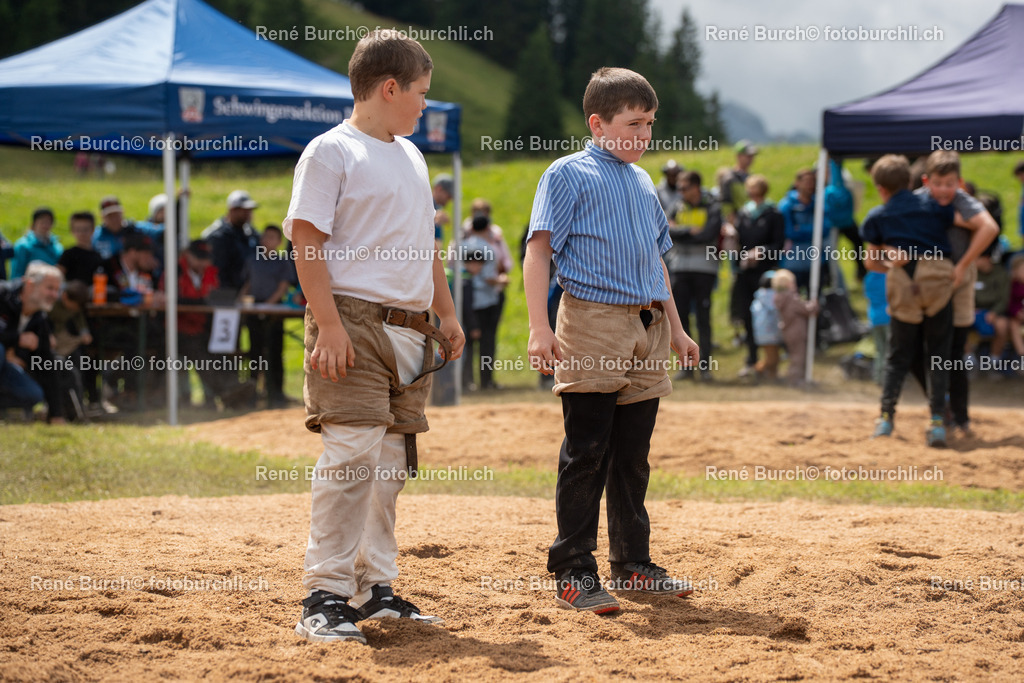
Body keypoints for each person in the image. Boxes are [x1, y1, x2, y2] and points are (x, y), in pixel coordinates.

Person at [284, 30, 465, 645]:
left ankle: (373, 589)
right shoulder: (330, 151)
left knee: (388, 465)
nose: (424, 104)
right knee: (351, 455)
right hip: (352, 320)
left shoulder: (411, 155)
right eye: (421, 92)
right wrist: (330, 324)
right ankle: (324, 595)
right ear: (390, 88)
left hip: (410, 326)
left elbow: (424, 242)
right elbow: (306, 240)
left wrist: (445, 312)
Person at [525, 66, 700, 615]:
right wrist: (539, 326)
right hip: (593, 321)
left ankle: (633, 563)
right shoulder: (567, 173)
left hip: (648, 325)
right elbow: (538, 250)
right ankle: (574, 570)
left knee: (633, 454)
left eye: (650, 124)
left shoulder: (644, 182)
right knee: (588, 449)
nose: (644, 135)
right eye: (633, 123)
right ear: (598, 124)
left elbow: (655, 261)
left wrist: (676, 327)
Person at [862, 155, 992, 447]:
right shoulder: (934, 207)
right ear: (912, 181)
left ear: (880, 188)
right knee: (939, 355)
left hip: (904, 281)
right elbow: (976, 225)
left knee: (898, 355)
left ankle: (885, 419)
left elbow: (870, 262)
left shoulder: (878, 215)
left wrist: (894, 264)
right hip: (938, 280)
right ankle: (937, 422)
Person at [911, 151, 999, 435]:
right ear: (927, 181)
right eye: (938, 183)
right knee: (918, 349)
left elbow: (990, 227)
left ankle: (960, 416)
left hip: (959, 280)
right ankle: (939, 406)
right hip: (926, 283)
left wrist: (963, 264)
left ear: (959, 183)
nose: (943, 190)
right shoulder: (916, 201)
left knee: (954, 350)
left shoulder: (964, 201)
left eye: (950, 184)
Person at [666, 170, 721, 381]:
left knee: (703, 319)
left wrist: (680, 232)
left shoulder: (712, 206)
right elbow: (666, 230)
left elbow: (708, 235)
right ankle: (686, 367)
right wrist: (690, 230)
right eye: (678, 188)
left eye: (684, 187)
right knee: (681, 320)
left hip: (705, 269)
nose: (680, 191)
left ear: (696, 187)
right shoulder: (676, 206)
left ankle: (705, 367)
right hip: (679, 267)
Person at [732, 174, 785, 376]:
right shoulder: (744, 213)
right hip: (745, 272)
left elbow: (778, 244)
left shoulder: (773, 213)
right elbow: (738, 242)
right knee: (747, 315)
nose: (753, 195)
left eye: (756, 191)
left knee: (768, 316)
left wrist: (761, 251)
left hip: (765, 274)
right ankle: (751, 359)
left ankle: (771, 362)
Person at [0, 263, 64, 422]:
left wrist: (56, 415)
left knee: (33, 394)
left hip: (5, 369)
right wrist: (17, 339)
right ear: (29, 284)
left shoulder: (40, 319)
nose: (54, 295)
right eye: (50, 288)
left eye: (57, 290)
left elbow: (47, 364)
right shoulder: (2, 294)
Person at [241, 225, 293, 407]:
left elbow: (283, 287)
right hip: (254, 310)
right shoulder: (253, 260)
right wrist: (241, 300)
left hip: (274, 312)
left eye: (272, 237)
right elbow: (248, 283)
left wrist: (268, 305)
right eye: (265, 237)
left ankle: (276, 393)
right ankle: (252, 394)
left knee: (275, 351)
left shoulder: (282, 263)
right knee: (255, 352)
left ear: (279, 241)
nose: (267, 241)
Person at [462, 214, 507, 390]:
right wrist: (501, 281)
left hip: (466, 299)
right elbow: (488, 277)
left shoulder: (461, 246)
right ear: (488, 228)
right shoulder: (489, 248)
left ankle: (466, 380)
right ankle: (486, 380)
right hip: (486, 300)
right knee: (487, 343)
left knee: (467, 343)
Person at [48, 280, 93, 420]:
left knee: (79, 367)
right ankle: (58, 409)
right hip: (50, 342)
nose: (74, 309)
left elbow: (79, 317)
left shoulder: (75, 306)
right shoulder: (52, 301)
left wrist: (84, 332)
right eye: (73, 306)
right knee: (64, 373)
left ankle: (77, 410)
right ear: (65, 296)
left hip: (65, 341)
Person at [202, 190, 260, 292]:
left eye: (249, 210)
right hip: (225, 292)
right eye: (244, 210)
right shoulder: (217, 236)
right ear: (232, 210)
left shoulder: (251, 234)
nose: (248, 214)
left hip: (248, 290)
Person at [773, 269, 818, 386]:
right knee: (798, 357)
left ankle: (800, 377)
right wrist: (814, 305)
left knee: (796, 355)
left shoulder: (780, 297)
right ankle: (795, 379)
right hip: (796, 332)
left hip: (788, 331)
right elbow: (806, 309)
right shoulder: (790, 298)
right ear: (788, 284)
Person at [778, 168, 819, 291]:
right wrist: (814, 231)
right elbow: (789, 232)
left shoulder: (819, 204)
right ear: (797, 183)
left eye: (812, 181)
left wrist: (800, 229)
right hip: (792, 262)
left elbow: (824, 229)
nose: (810, 185)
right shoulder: (787, 206)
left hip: (816, 261)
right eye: (807, 182)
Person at [973, 243, 1010, 363]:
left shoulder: (1001, 273)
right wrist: (971, 309)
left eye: (977, 258)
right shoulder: (971, 272)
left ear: (986, 258)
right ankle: (968, 358)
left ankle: (994, 360)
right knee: (958, 321)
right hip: (974, 311)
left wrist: (994, 312)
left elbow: (1004, 298)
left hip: (994, 311)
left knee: (1002, 325)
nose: (973, 261)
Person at [11, 208, 63, 279]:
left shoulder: (57, 247)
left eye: (48, 221)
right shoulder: (23, 246)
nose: (45, 225)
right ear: (34, 223)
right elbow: (17, 273)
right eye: (42, 221)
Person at [58, 212, 104, 286]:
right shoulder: (68, 254)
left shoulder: (98, 255)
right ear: (72, 231)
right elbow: (58, 275)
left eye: (86, 229)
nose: (82, 233)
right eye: (78, 229)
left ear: (93, 229)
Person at [751, 270, 781, 381]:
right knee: (772, 358)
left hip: (763, 332)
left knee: (774, 357)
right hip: (770, 332)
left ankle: (773, 376)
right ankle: (757, 370)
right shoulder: (771, 296)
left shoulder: (759, 296)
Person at [719, 140, 757, 225]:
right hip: (738, 223)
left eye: (752, 156)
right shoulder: (729, 178)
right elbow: (726, 204)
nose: (751, 159)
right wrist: (734, 225)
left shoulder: (752, 177)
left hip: (751, 222)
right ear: (738, 156)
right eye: (748, 156)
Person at [92, 196, 139, 261]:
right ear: (102, 217)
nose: (114, 219)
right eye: (110, 216)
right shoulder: (95, 236)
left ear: (122, 213)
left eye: (116, 214)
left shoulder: (135, 231)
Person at [863, 270, 889, 385]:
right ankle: (887, 378)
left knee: (879, 350)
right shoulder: (888, 276)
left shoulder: (869, 277)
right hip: (889, 317)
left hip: (874, 318)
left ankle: (878, 377)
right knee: (889, 351)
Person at [1008, 254, 1024, 359]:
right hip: (1018, 316)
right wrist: (1017, 312)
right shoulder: (1013, 286)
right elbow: (1010, 303)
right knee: (1013, 324)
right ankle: (1021, 352)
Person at [431, 173, 454, 245]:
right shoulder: (426, 205)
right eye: (449, 196)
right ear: (439, 189)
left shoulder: (438, 208)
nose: (450, 199)